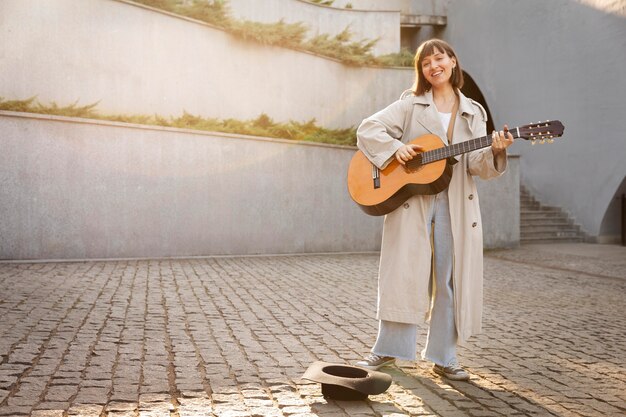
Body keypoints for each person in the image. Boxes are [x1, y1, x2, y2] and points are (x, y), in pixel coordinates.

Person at [354, 39, 513, 381]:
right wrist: (396, 148)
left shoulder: (474, 111)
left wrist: (497, 151)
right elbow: (368, 128)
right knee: (403, 273)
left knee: (449, 279)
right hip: (413, 200)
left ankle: (445, 355)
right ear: (421, 71)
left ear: (453, 62)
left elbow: (476, 163)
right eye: (425, 62)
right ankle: (387, 350)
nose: (433, 66)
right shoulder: (410, 104)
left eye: (439, 58)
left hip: (456, 202)